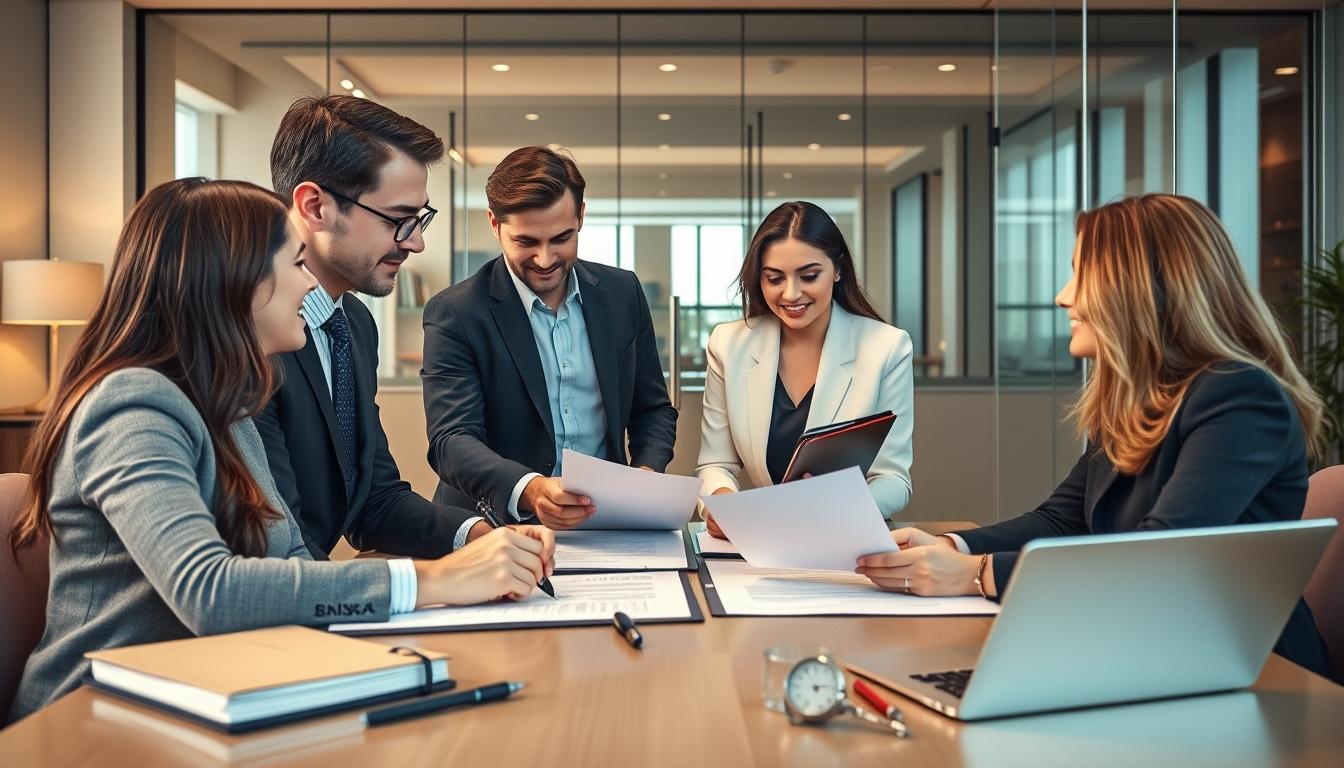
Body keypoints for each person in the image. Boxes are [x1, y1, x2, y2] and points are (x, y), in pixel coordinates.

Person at [8, 178, 554, 721]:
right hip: (90, 721)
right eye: (296, 265)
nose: (309, 288)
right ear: (236, 282)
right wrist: (438, 579)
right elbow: (209, 591)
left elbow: (287, 559)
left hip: (214, 691)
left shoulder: (230, 407)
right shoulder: (134, 403)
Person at [854, 193, 1328, 676]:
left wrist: (978, 576)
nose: (1064, 295)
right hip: (1141, 643)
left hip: (1251, 670)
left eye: (1081, 273)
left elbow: (1159, 556)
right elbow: (1063, 520)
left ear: (1138, 288)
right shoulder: (1134, 399)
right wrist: (953, 547)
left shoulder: (1241, 399)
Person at [255, 95, 504, 558]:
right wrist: (432, 581)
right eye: (398, 219)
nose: (416, 242)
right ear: (314, 207)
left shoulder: (354, 325)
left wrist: (479, 535)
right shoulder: (248, 335)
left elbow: (374, 501)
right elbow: (273, 554)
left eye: (419, 218)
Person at [420, 146, 678, 529]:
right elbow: (452, 441)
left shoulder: (623, 293)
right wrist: (531, 489)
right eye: (526, 242)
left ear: (581, 217)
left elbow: (652, 409)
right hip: (493, 528)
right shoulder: (456, 313)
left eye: (561, 238)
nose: (545, 259)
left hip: (606, 524)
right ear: (495, 224)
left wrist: (646, 473)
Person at [698, 201, 914, 536]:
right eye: (774, 278)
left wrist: (830, 513)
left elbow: (892, 479)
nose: (791, 293)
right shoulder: (728, 344)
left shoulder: (886, 348)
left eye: (809, 276)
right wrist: (723, 503)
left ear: (838, 270)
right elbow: (716, 464)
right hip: (762, 541)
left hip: (843, 535)